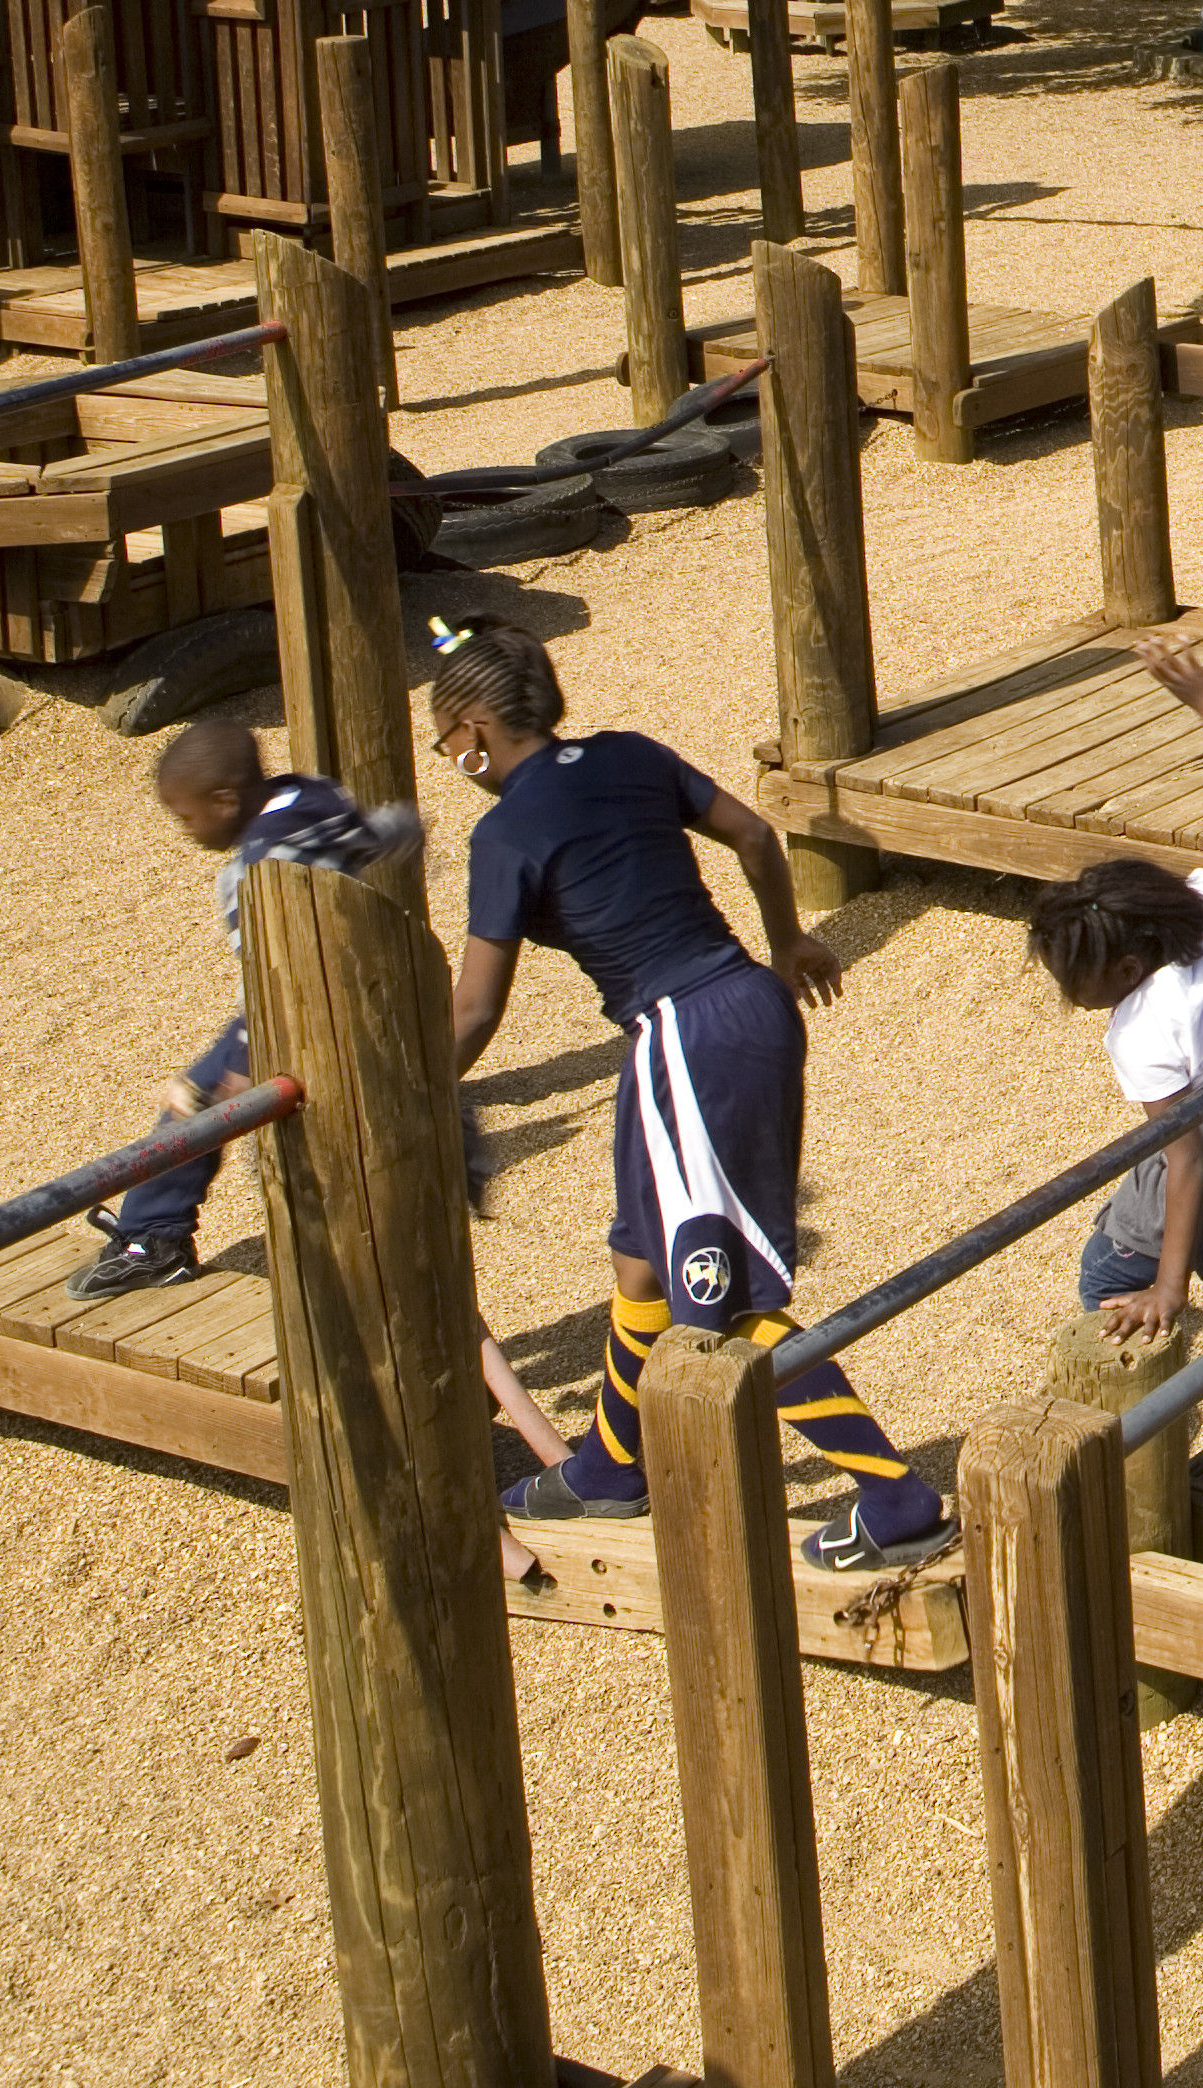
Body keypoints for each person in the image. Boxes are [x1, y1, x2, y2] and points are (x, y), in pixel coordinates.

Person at [428, 618, 950, 1571]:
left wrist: (402, 1092)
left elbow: (474, 1008)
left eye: (443, 744)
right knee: (641, 1263)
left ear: (473, 727)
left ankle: (895, 1495)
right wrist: (788, 938)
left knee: (722, 1290)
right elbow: (751, 832)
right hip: (743, 1000)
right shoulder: (629, 753)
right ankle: (607, 1470)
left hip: (684, 1035)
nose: (446, 760)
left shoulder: (503, 832)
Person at [67, 723, 412, 1301]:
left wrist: (246, 1058)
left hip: (300, 1007)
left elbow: (273, 973)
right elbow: (378, 830)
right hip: (364, 990)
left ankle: (152, 1241)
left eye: (186, 816)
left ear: (226, 801)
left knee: (189, 1107)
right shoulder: (313, 793)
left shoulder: (254, 872)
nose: (185, 829)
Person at [1023, 637, 1203, 1386]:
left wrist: (1170, 1289)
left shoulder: (1140, 1029)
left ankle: (1142, 1430)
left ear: (1127, 969)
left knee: (1110, 1274)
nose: (1068, 992)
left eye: (1075, 979)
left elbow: (1187, 1156)